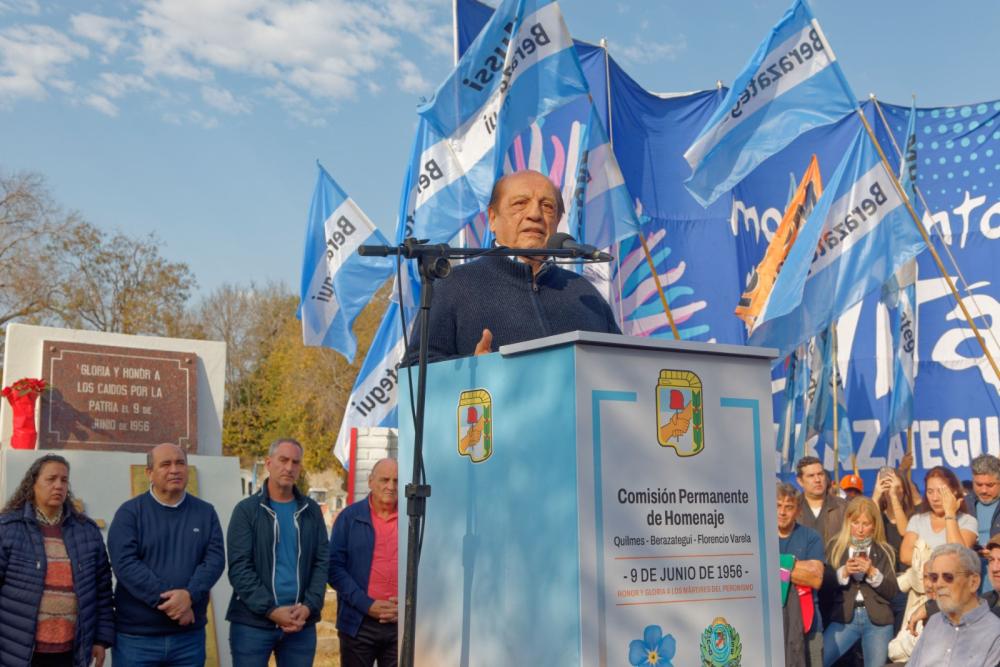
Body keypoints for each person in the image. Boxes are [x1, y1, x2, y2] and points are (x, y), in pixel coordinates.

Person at [403, 170, 620, 364]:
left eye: (547, 207)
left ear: (557, 222)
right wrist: (474, 369)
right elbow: (415, 371)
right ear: (492, 218)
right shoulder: (453, 285)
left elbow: (626, 364)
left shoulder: (585, 293)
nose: (535, 214)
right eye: (520, 204)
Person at [108, 443, 225, 666]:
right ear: (149, 473)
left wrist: (189, 596)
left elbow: (215, 560)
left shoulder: (205, 512)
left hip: (188, 640)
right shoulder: (130, 513)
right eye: (166, 464)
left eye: (180, 463)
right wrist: (175, 605)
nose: (175, 470)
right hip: (137, 639)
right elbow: (125, 564)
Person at [0, 455, 114, 667]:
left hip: (70, 650)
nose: (58, 486)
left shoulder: (86, 531)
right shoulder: (8, 529)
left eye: (64, 480)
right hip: (18, 649)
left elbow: (102, 591)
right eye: (51, 479)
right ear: (33, 484)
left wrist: (101, 639)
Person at [226, 438, 329, 666]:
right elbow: (239, 568)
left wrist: (309, 606)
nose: (289, 467)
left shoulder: (310, 511)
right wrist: (271, 610)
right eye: (283, 460)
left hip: (300, 624)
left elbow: (322, 562)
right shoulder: (246, 511)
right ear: (268, 463)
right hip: (252, 625)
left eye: (295, 462)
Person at [329, 459, 399, 667]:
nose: (391, 486)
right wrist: (366, 605)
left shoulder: (411, 519)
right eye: (385, 480)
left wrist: (406, 604)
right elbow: (334, 568)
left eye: (396, 480)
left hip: (400, 623)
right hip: (358, 623)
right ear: (370, 481)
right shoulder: (349, 518)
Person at [820, 497, 898, 667]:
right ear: (848, 521)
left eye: (866, 523)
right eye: (856, 522)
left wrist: (872, 573)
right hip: (844, 619)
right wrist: (844, 572)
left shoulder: (885, 550)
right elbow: (824, 587)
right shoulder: (835, 547)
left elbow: (892, 592)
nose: (860, 529)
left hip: (878, 621)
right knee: (819, 660)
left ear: (875, 525)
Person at [905, 543, 1000, 666]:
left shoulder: (994, 633)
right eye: (934, 577)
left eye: (948, 577)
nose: (938, 584)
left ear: (973, 582)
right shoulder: (934, 622)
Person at [776, 482, 825, 667]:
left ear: (798, 511)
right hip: (775, 626)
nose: (782, 512)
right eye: (778, 506)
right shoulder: (762, 537)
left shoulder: (811, 537)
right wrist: (796, 565)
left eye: (789, 507)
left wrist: (776, 563)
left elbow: (815, 578)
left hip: (810, 625)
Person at [899, 466, 977, 567]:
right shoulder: (917, 520)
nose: (934, 498)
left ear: (954, 492)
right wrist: (942, 560)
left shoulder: (967, 521)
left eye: (941, 491)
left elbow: (958, 555)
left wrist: (950, 513)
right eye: (930, 492)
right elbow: (905, 556)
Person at [795, 456, 846, 545]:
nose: (817, 480)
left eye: (820, 474)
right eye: (811, 476)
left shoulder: (844, 507)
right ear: (800, 481)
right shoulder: (792, 508)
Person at [969, 454, 1000, 592]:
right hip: (973, 587)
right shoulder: (963, 505)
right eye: (978, 484)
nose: (983, 490)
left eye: (990, 485)